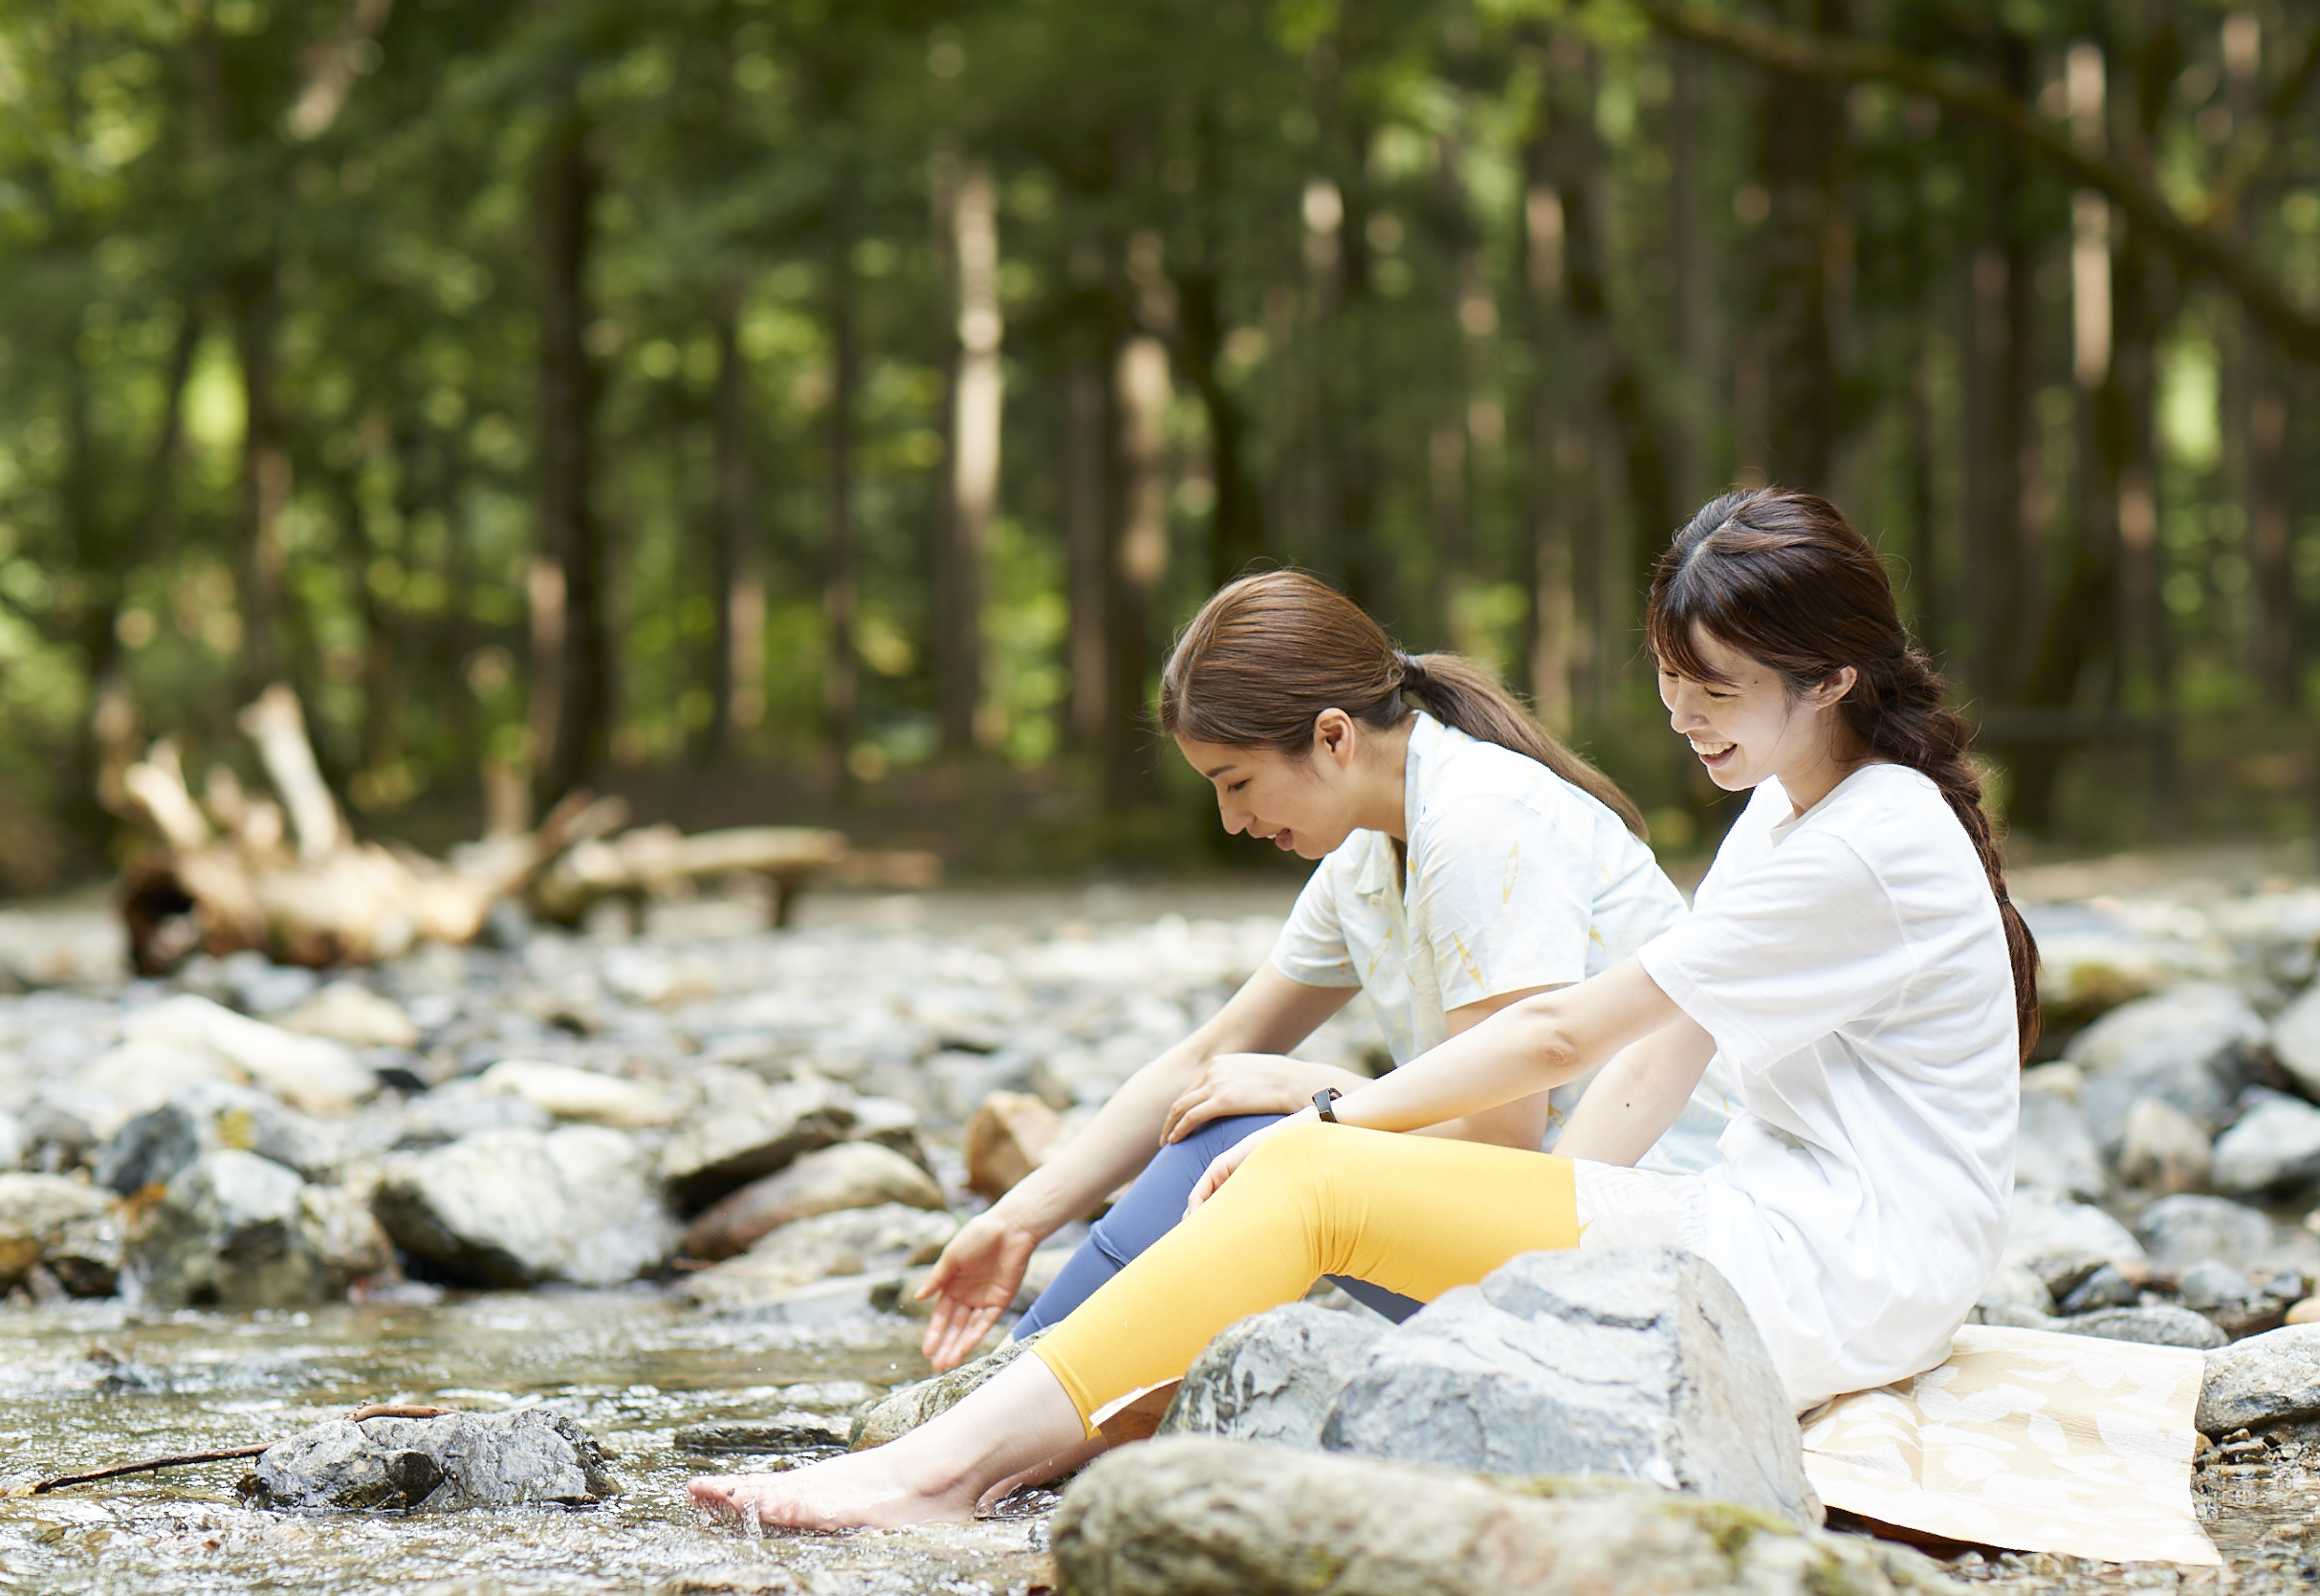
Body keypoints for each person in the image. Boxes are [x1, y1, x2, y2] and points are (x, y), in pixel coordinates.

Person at [689, 487, 2037, 1530]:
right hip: (1782, 1232)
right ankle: (991, 1430)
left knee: (1302, 1173)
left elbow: (1568, 1036)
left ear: (1834, 680)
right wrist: (1558, 1248)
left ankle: (937, 1469)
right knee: (1277, 1156)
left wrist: (1338, 1118)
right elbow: (1669, 1041)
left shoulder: (1871, 835)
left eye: (1718, 689)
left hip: (1847, 1271)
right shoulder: (1792, 814)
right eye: (1671, 682)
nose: (1684, 717)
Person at [913, 568, 1733, 1371]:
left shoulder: (1483, 821)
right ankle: (1029, 1396)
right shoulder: (1371, 852)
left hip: (1653, 1256)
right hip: (1538, 1231)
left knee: (1250, 1139)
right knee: (1230, 1117)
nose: (1232, 820)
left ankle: (1015, 1390)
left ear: (1334, 736)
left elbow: (1499, 1140)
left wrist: (1319, 1098)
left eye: (1237, 782)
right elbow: (1210, 1056)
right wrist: (1021, 1219)